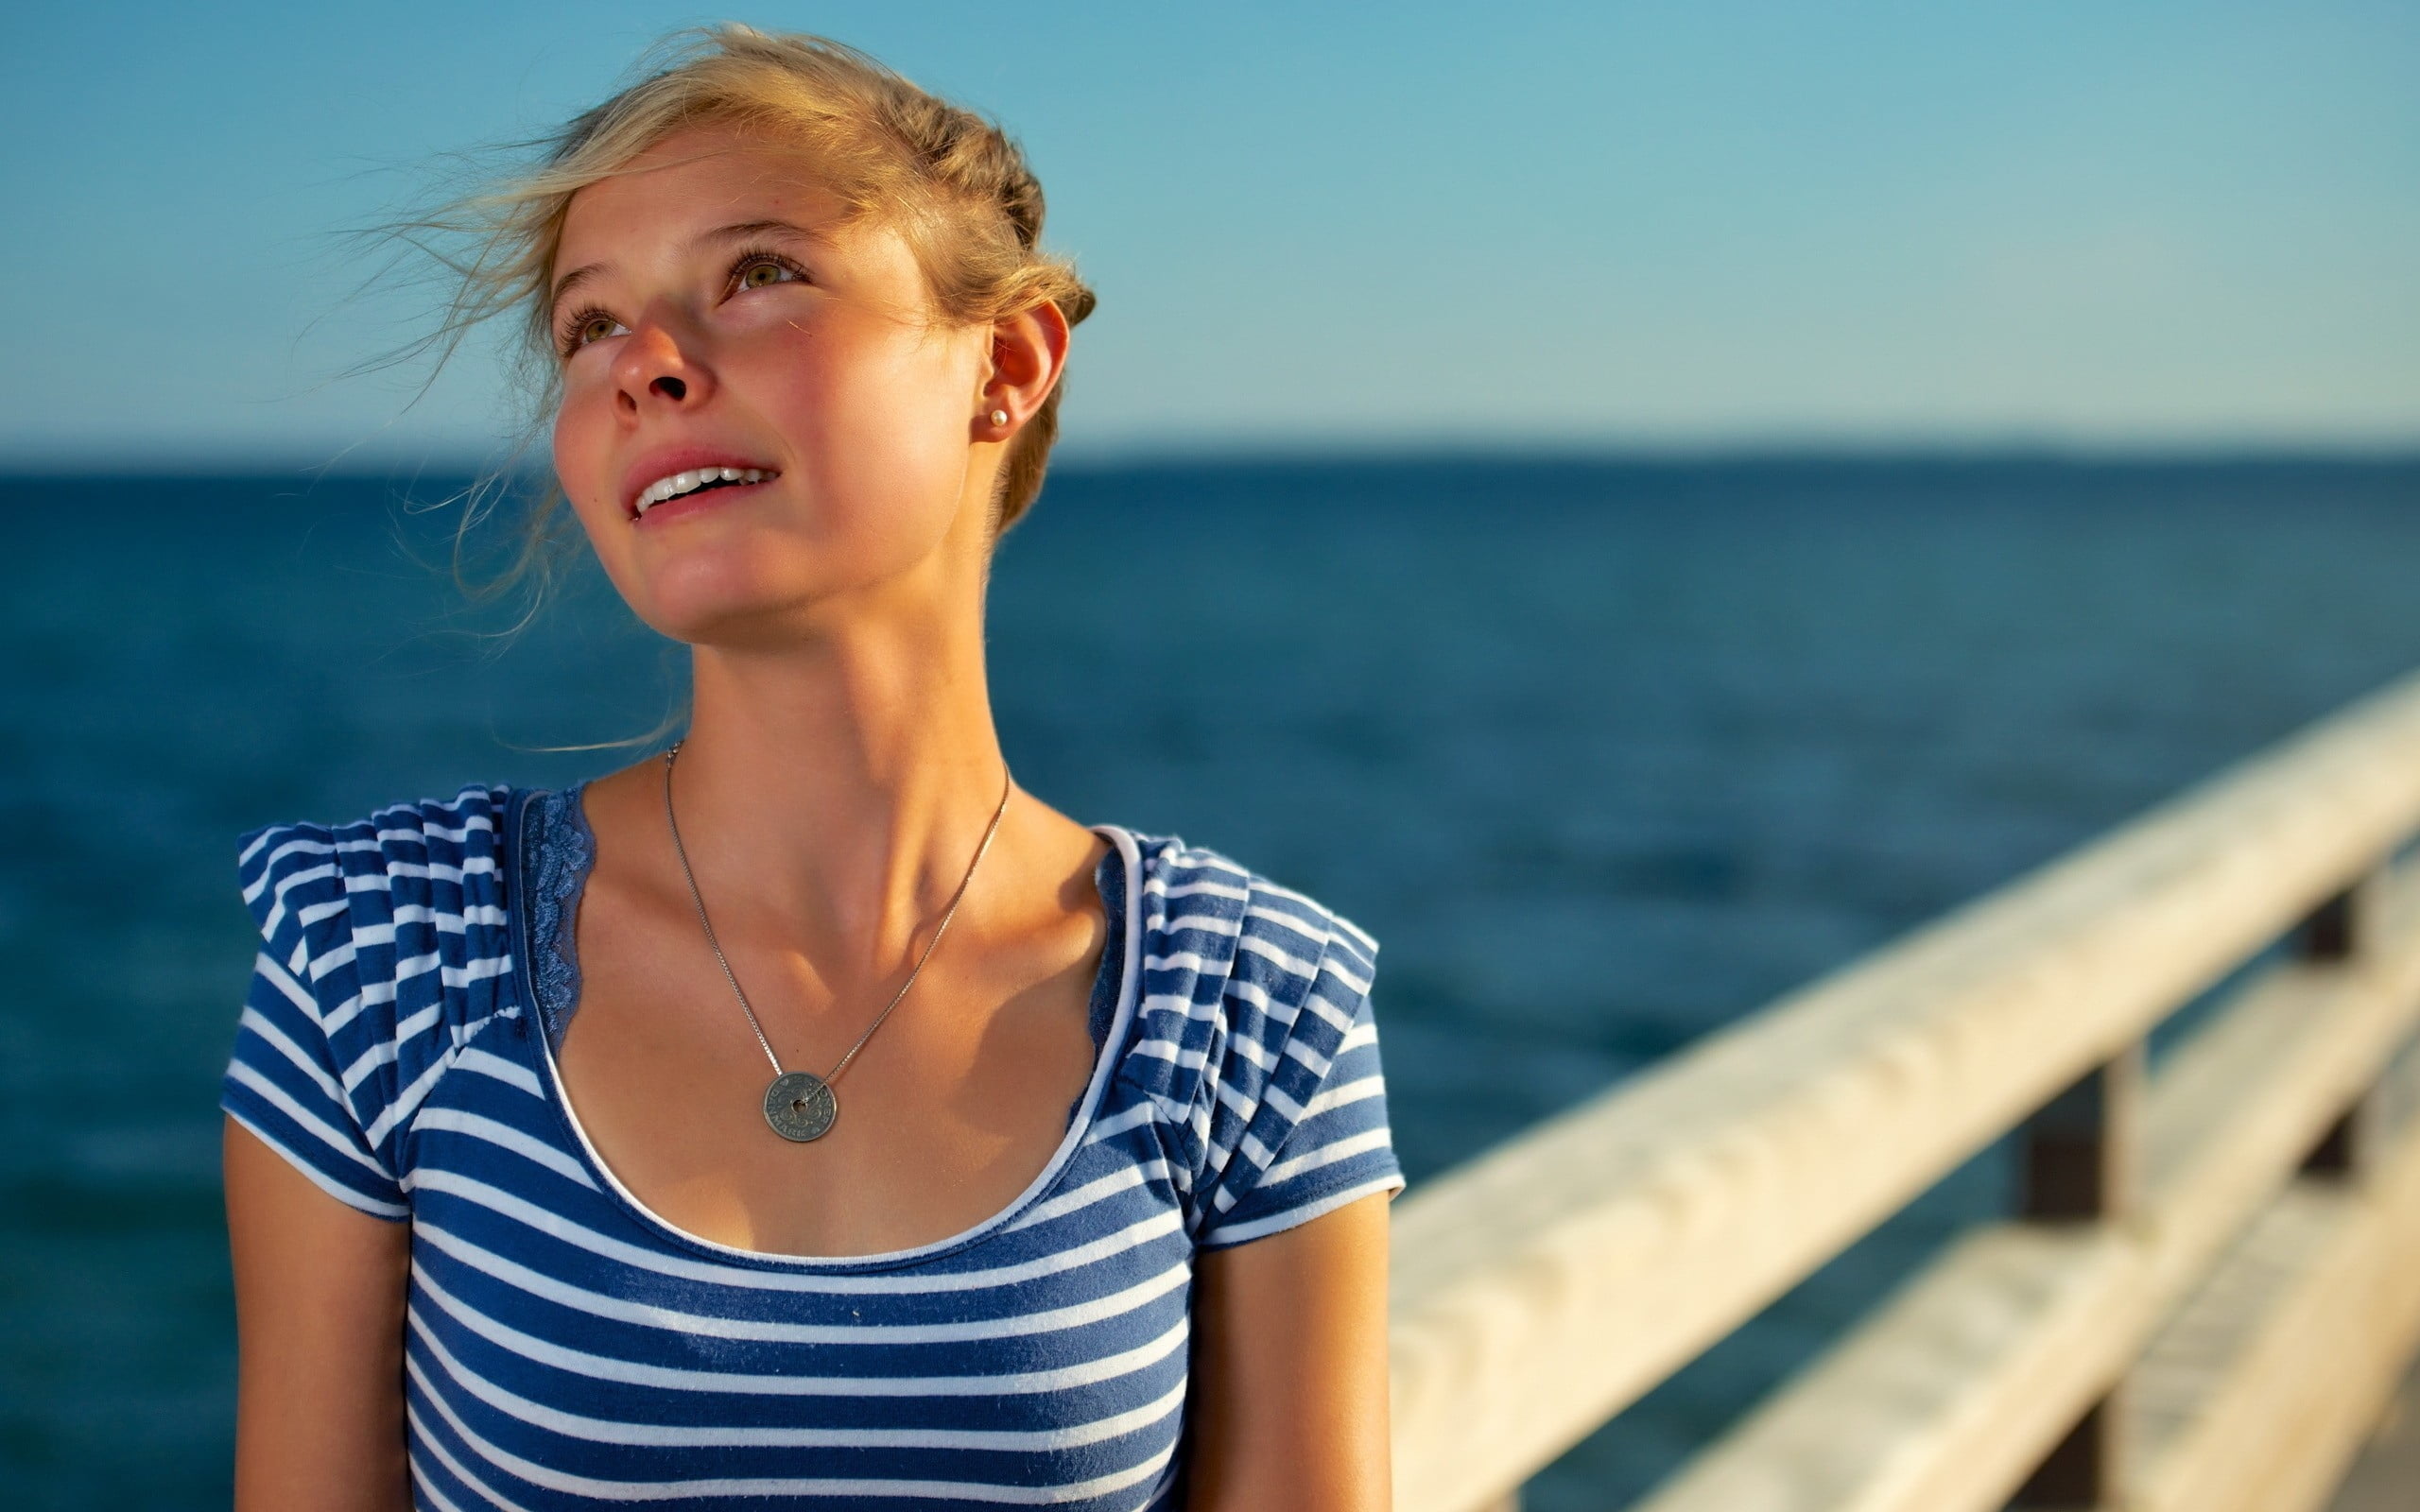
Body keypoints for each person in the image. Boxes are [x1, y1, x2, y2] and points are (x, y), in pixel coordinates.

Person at [217, 25, 1404, 1512]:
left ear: (1009, 362)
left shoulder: (1251, 1010)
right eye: (590, 328)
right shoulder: (377, 954)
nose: (645, 364)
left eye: (759, 274)